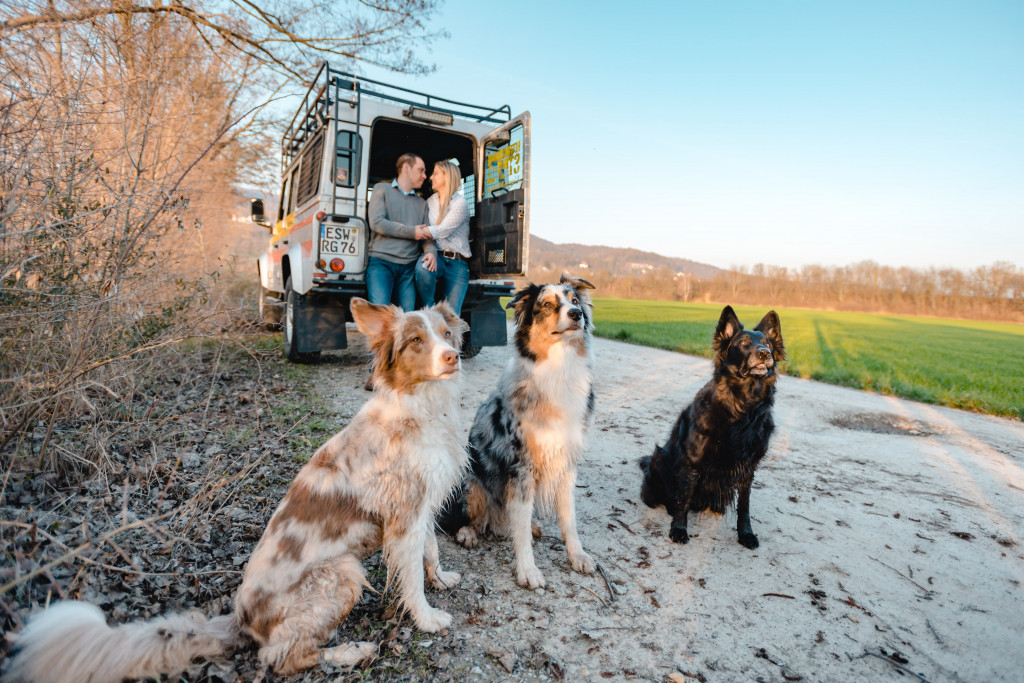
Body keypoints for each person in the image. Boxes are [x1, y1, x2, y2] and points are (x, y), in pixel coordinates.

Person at [366, 153, 434, 311]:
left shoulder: (422, 203)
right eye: (421, 170)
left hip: (408, 269)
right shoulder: (381, 189)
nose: (425, 176)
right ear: (405, 168)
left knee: (406, 321)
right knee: (380, 318)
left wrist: (431, 252)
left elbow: (427, 235)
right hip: (381, 263)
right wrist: (412, 232)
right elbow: (377, 223)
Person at [414, 159, 471, 314]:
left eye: (436, 173)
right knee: (422, 268)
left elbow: (442, 230)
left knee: (452, 316)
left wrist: (413, 231)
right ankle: (430, 310)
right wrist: (430, 252)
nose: (431, 177)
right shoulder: (430, 202)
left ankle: (448, 333)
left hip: (457, 263)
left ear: (448, 176)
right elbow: (427, 227)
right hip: (436, 256)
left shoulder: (460, 203)